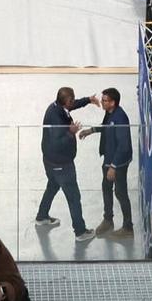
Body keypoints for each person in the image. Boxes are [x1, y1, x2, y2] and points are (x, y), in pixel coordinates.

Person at [35, 87, 96, 240]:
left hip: (50, 162)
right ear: (65, 101)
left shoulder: (57, 107)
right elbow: (57, 142)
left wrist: (88, 100)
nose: (73, 101)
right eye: (72, 99)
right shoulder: (56, 118)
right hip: (61, 164)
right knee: (74, 197)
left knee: (52, 186)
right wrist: (71, 132)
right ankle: (80, 232)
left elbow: (73, 105)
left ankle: (42, 216)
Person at [78, 87, 133, 235]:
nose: (102, 102)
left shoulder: (120, 118)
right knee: (106, 188)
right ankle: (108, 220)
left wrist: (113, 167)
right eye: (102, 100)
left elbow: (123, 146)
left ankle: (128, 228)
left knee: (121, 193)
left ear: (113, 103)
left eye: (105, 100)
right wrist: (91, 130)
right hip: (109, 159)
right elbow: (106, 128)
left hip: (118, 163)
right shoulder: (109, 114)